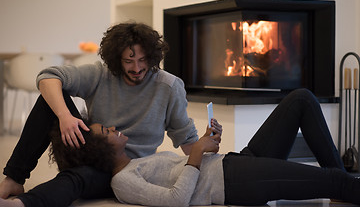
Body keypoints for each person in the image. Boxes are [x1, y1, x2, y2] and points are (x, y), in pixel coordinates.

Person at [2, 88, 359, 207]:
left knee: (301, 99)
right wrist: (197, 154)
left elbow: (190, 164)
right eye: (105, 130)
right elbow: (177, 201)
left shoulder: (137, 161)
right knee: (329, 181)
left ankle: (344, 187)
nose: (113, 126)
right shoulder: (122, 183)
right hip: (234, 183)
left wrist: (207, 141)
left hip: (235, 163)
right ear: (99, 149)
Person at [0, 22, 217, 206]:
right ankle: (15, 178)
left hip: (127, 169)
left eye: (143, 60)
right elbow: (47, 77)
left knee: (77, 178)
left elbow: (186, 139)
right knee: (49, 101)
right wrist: (65, 115)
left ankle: (20, 204)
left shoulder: (169, 86)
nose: (137, 68)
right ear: (116, 60)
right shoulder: (100, 74)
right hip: (91, 150)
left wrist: (206, 157)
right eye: (128, 61)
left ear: (152, 57)